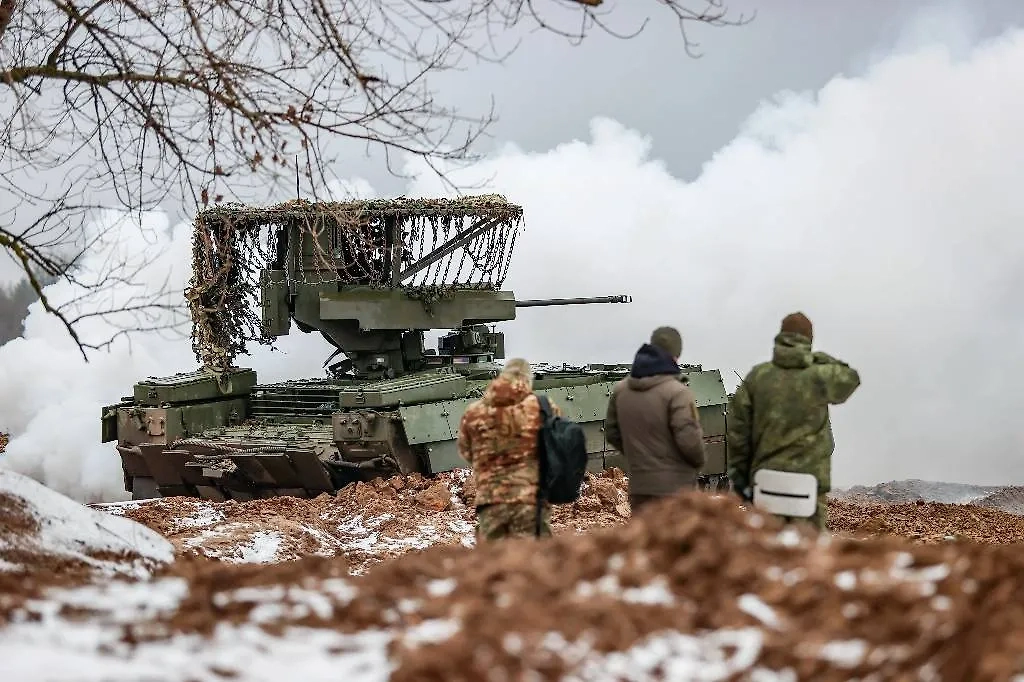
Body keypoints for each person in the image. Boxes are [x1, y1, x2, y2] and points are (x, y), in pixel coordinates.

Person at [726, 312, 861, 531]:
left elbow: (737, 434)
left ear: (780, 337)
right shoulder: (820, 375)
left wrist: (740, 481)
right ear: (808, 341)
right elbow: (851, 378)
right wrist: (816, 357)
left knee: (765, 550)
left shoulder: (757, 378)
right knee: (808, 554)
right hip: (808, 487)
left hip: (765, 484)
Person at [457, 357, 562, 542]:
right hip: (530, 498)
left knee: (493, 562)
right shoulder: (544, 408)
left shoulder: (474, 411)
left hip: (491, 499)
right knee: (537, 560)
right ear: (528, 380)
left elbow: (466, 451)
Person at [604, 326, 706, 515]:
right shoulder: (678, 392)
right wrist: (697, 463)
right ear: (675, 355)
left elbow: (611, 432)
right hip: (676, 489)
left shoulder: (621, 391)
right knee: (675, 542)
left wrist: (640, 458)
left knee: (646, 542)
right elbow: (689, 440)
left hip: (640, 489)